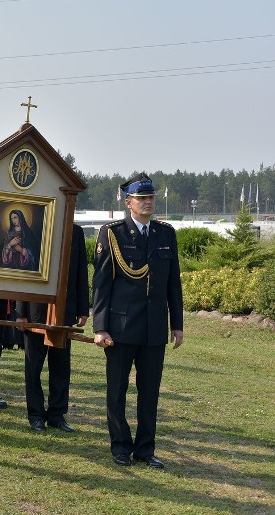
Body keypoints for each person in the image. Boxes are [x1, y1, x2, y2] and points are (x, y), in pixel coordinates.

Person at [93, 173, 183, 469]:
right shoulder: (113, 233)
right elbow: (102, 283)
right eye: (141, 198)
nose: (147, 203)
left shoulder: (165, 233)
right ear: (128, 202)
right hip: (120, 327)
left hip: (154, 327)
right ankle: (120, 445)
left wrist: (177, 324)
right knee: (117, 390)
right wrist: (100, 326)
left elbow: (173, 283)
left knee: (150, 392)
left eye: (151, 198)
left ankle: (145, 449)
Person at [15, 224, 90, 433]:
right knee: (33, 367)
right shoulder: (34, 229)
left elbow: (80, 270)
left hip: (64, 311)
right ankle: (36, 415)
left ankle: (57, 414)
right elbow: (22, 270)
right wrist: (20, 311)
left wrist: (83, 309)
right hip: (34, 310)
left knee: (61, 366)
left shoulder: (75, 231)